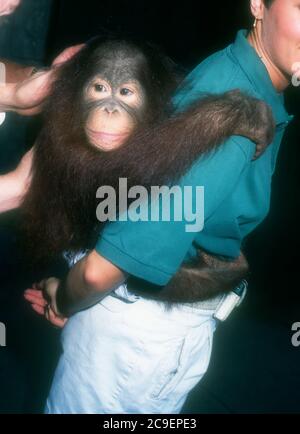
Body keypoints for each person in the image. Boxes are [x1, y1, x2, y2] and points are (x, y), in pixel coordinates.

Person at [21, 0, 296, 413]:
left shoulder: (242, 85)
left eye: (124, 92)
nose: (109, 108)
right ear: (259, 4)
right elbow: (103, 268)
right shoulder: (232, 105)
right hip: (134, 338)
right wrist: (66, 296)